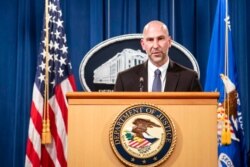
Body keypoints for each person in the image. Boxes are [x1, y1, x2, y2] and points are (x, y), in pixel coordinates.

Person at [114, 20, 202, 92]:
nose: (155, 46)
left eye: (160, 39)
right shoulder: (124, 79)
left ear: (169, 42)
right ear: (143, 44)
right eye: (150, 40)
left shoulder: (189, 78)